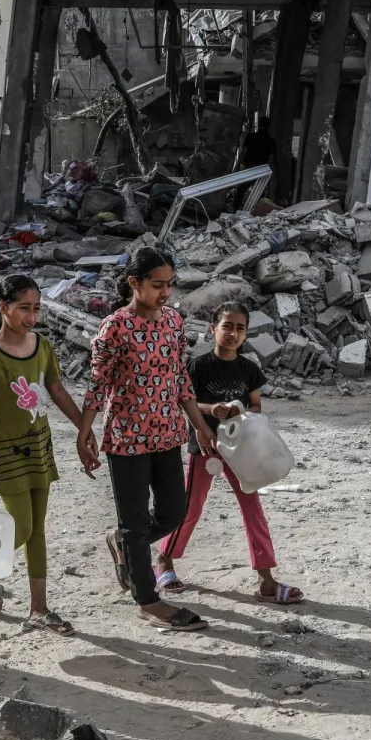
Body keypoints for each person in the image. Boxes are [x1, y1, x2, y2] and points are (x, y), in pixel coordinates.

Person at [77, 247, 218, 632]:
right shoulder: (114, 328)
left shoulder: (173, 322)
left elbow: (179, 378)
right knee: (136, 520)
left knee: (173, 512)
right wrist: (84, 431)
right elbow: (98, 382)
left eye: (170, 284)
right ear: (134, 284)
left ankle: (124, 542)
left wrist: (200, 424)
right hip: (125, 438)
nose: (165, 293)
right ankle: (148, 600)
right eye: (157, 285)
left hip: (168, 432)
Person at [154, 302, 305, 605]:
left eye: (240, 328)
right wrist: (213, 410)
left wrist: (241, 413)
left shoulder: (249, 369)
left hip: (241, 452)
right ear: (213, 328)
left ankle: (266, 580)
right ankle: (164, 561)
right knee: (190, 508)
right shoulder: (199, 366)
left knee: (253, 510)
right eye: (227, 326)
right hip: (207, 447)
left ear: (246, 333)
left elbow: (256, 406)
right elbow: (187, 403)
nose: (233, 333)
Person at [0, 275, 86, 634]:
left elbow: (57, 390)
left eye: (36, 308)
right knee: (22, 526)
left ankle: (39, 609)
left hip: (39, 447)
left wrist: (84, 427)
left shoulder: (42, 346)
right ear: (4, 308)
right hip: (6, 452)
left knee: (38, 532)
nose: (31, 316)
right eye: (24, 308)